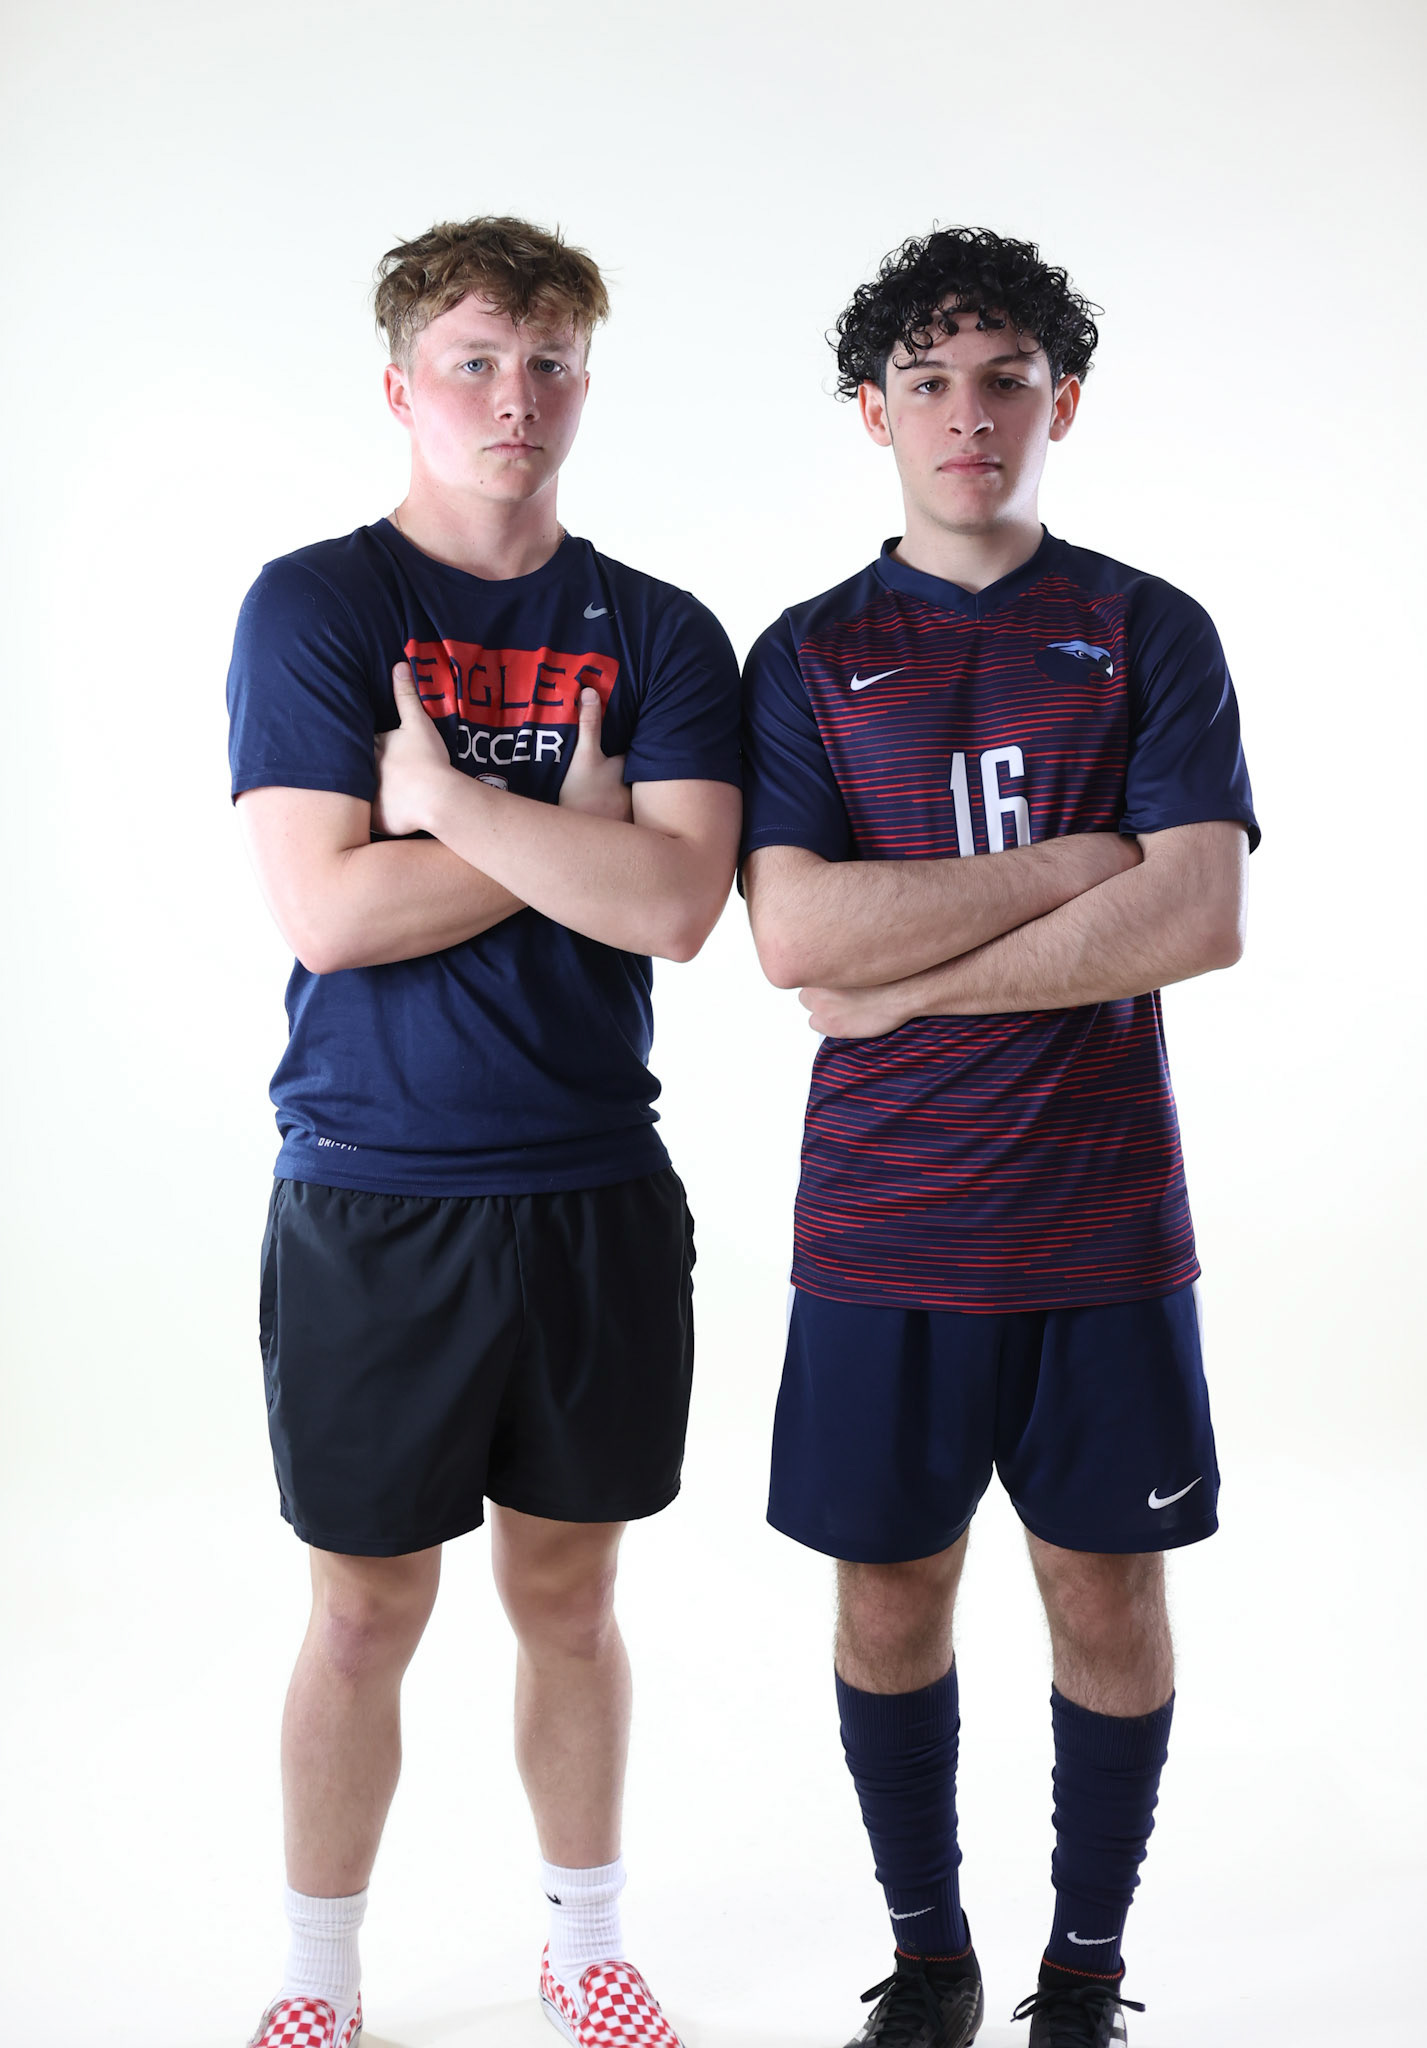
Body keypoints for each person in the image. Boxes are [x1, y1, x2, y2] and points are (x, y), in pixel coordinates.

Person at [226, 214, 741, 2048]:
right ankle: (318, 1977)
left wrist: (432, 802)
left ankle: (582, 1938)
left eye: (548, 362)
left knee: (570, 1594)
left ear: (585, 383)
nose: (513, 398)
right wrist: (560, 842)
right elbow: (331, 916)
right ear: (400, 386)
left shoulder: (660, 625)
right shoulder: (321, 607)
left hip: (595, 1184)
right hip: (373, 1190)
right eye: (472, 361)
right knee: (363, 1614)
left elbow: (682, 908)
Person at [740, 227, 1257, 2048]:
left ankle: (1087, 1974)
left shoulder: (1145, 628)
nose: (974, 415)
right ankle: (936, 1951)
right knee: (890, 1595)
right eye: (935, 383)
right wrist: (1069, 870)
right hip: (884, 1232)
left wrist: (899, 979)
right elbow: (795, 938)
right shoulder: (806, 655)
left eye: (1010, 379)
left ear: (1066, 404)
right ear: (872, 412)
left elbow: (1197, 913)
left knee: (1104, 1592)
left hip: (1103, 1227)